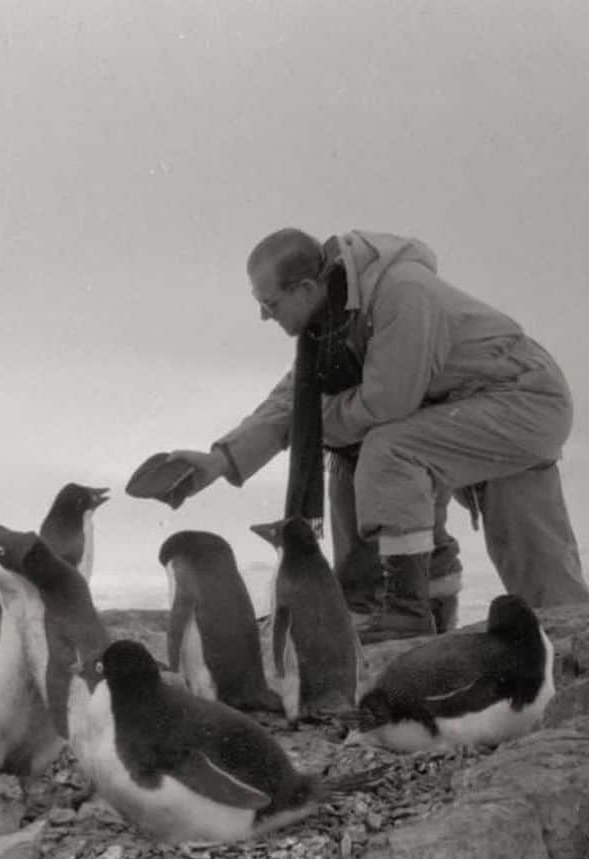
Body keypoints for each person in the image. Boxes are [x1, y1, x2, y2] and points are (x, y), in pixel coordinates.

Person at [167, 228, 589, 642]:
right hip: (470, 407)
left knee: (390, 449)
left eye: (269, 303)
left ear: (305, 287)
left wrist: (316, 422)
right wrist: (220, 461)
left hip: (523, 401)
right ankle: (411, 610)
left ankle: (406, 611)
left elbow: (386, 404)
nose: (264, 315)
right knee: (550, 600)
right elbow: (292, 402)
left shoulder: (402, 294)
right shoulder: (330, 322)